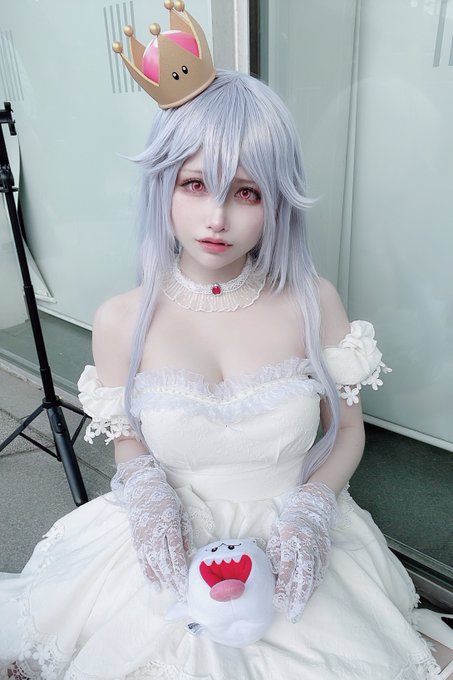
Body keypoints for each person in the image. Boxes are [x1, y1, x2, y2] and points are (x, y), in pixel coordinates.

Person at [0, 4, 452, 678]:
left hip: (294, 530)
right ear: (162, 187)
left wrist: (313, 505)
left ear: (277, 201)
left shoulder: (313, 302)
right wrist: (145, 489)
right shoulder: (121, 319)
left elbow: (348, 428)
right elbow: (129, 436)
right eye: (194, 184)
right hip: (167, 534)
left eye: (246, 192)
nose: (216, 217)